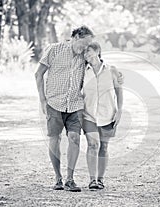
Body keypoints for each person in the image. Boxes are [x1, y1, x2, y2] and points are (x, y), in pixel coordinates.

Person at [35, 26, 94, 192]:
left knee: (75, 138)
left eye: (88, 45)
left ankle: (70, 179)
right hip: (54, 103)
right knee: (55, 139)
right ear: (75, 37)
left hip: (75, 104)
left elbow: (98, 66)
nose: (84, 48)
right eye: (83, 44)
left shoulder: (85, 55)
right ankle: (58, 178)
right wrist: (42, 99)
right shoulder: (54, 50)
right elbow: (38, 74)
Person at [82, 42, 123, 190]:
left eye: (89, 51)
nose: (86, 55)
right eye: (84, 53)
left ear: (98, 51)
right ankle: (92, 180)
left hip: (108, 114)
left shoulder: (111, 70)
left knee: (104, 147)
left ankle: (101, 179)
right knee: (93, 145)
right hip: (88, 115)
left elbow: (119, 90)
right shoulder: (82, 71)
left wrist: (120, 110)